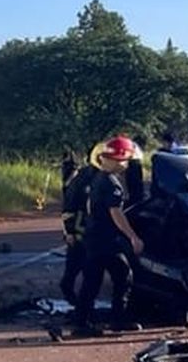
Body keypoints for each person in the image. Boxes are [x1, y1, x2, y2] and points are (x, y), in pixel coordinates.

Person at [72, 135, 146, 337]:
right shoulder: (111, 184)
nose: (126, 165)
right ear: (117, 159)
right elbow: (116, 213)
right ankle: (112, 319)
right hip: (105, 240)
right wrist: (132, 236)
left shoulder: (98, 178)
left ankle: (86, 321)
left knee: (95, 280)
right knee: (122, 276)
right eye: (125, 160)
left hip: (95, 238)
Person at [59, 140, 104, 304]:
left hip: (94, 232)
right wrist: (69, 231)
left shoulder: (105, 177)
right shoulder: (83, 178)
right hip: (80, 231)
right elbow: (69, 205)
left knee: (88, 270)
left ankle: (84, 305)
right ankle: (71, 293)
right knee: (76, 266)